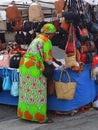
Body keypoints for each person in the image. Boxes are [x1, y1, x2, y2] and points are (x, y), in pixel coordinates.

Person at [17, 23, 61, 123]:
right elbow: (48, 59)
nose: (53, 36)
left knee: (26, 92)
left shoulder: (37, 38)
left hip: (25, 65)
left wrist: (55, 60)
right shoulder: (47, 41)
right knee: (38, 92)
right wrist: (54, 65)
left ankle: (24, 114)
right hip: (35, 67)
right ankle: (40, 117)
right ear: (49, 34)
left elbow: (39, 53)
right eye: (53, 34)